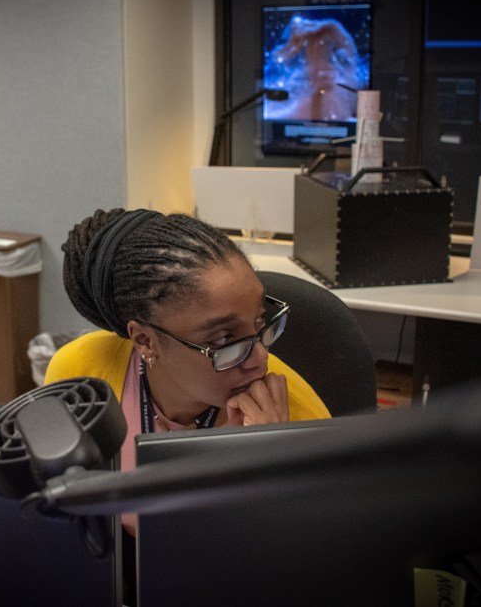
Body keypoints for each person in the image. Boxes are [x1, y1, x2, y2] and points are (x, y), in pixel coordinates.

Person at [44, 208, 330, 511]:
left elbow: (309, 548)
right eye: (224, 340)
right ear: (145, 341)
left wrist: (267, 469)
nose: (260, 358)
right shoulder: (81, 377)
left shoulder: (297, 420)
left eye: (261, 321)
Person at [264, 15, 360, 121]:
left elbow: (351, 56)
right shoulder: (299, 83)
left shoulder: (337, 89)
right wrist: (294, 44)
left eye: (324, 47)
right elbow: (277, 60)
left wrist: (330, 25)